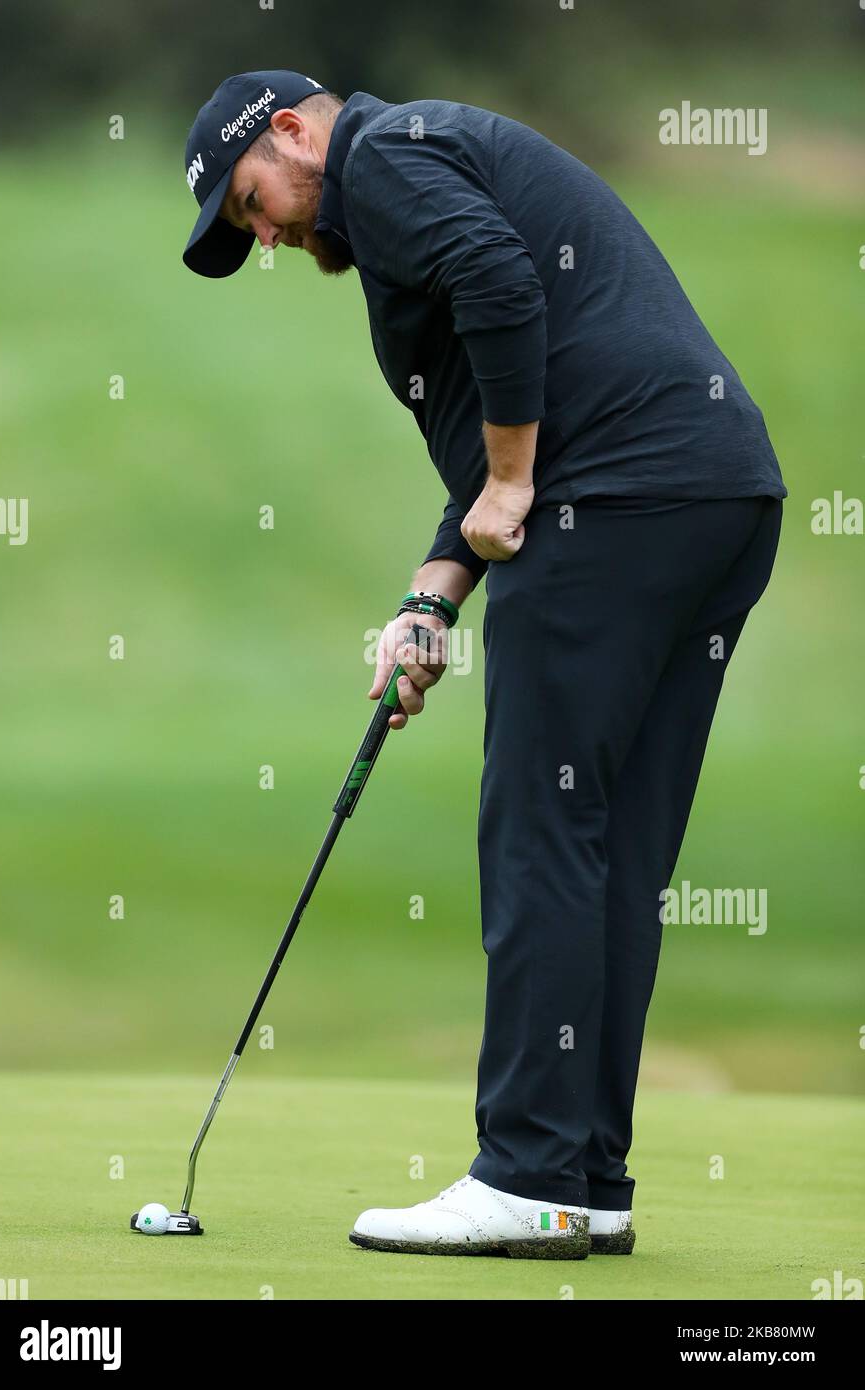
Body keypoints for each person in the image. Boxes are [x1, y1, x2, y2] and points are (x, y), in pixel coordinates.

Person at [182, 70, 785, 1259]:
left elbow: (500, 291)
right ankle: (582, 1183)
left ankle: (524, 1172)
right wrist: (431, 595)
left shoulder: (382, 157)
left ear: (293, 130)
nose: (265, 234)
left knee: (540, 829)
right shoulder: (422, 158)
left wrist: (512, 485)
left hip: (610, 503)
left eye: (252, 203)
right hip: (710, 495)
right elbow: (501, 413)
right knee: (608, 849)